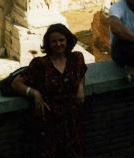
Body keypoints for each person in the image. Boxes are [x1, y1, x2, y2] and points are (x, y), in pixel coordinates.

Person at [11, 23, 87, 158]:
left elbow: (80, 74)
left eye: (61, 40)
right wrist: (35, 93)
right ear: (48, 44)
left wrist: (80, 87)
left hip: (71, 121)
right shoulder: (41, 64)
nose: (58, 44)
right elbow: (16, 83)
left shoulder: (76, 58)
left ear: (67, 40)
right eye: (54, 41)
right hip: (48, 123)